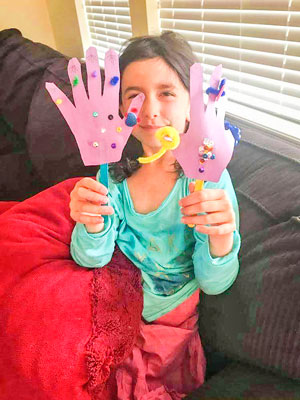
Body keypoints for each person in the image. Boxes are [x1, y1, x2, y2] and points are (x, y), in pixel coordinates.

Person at [69, 31, 241, 399]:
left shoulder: (205, 179)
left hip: (169, 316)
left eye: (166, 92)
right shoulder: (112, 173)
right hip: (113, 295)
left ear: (192, 105)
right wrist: (92, 222)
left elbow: (214, 283)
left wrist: (221, 237)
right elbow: (91, 257)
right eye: (134, 95)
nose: (149, 110)